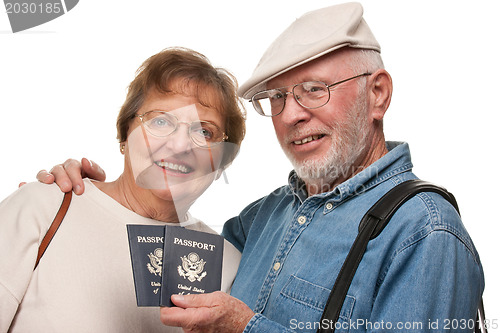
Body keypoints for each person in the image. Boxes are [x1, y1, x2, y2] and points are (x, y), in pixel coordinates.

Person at [34, 3, 484, 332]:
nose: (290, 115)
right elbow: (160, 232)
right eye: (279, 98)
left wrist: (246, 328)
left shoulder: (425, 234)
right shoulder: (264, 219)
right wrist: (85, 196)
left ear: (379, 94)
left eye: (313, 89)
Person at [0, 47, 245, 332]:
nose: (180, 146)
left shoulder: (230, 266)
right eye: (161, 121)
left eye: (204, 131)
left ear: (222, 163)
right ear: (125, 135)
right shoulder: (42, 208)